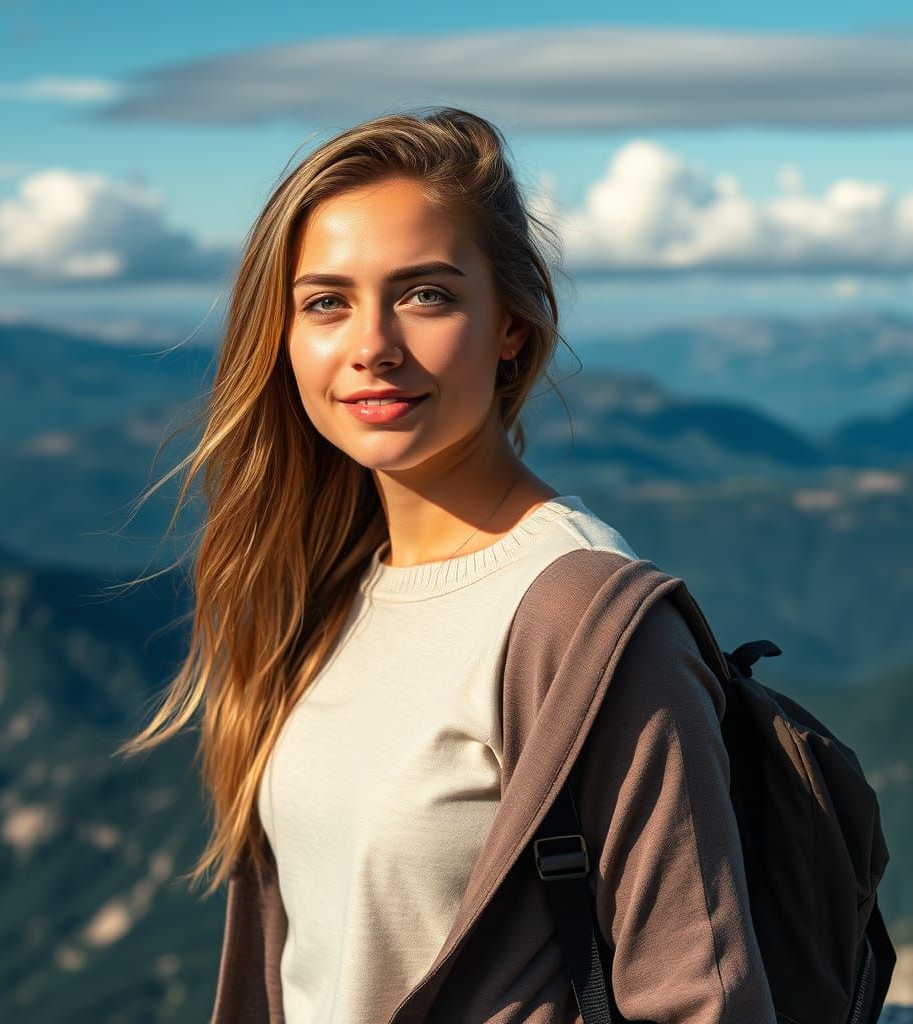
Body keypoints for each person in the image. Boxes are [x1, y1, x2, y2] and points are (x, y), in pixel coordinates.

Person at [118, 106, 777, 1023]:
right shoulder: (329, 586)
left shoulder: (584, 623)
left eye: (426, 294)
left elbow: (704, 1001)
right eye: (326, 302)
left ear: (512, 323)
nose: (372, 347)